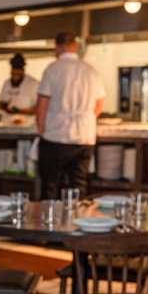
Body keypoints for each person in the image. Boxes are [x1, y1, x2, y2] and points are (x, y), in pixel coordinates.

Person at [35, 32, 105, 199]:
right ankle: (78, 215)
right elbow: (99, 103)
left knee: (50, 185)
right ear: (75, 46)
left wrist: (41, 129)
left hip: (56, 135)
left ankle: (50, 215)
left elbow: (42, 103)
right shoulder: (90, 70)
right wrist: (86, 120)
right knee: (78, 185)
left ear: (58, 47)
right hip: (84, 137)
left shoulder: (53, 69)